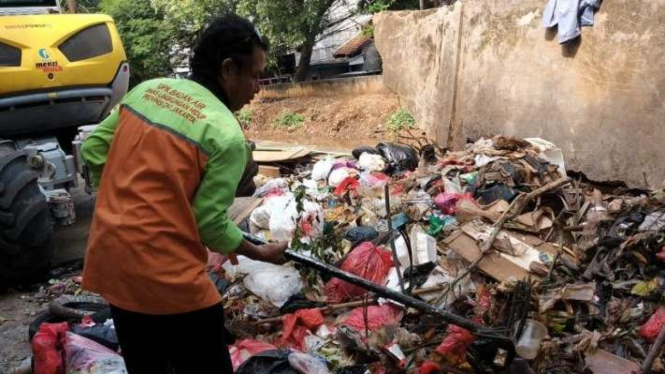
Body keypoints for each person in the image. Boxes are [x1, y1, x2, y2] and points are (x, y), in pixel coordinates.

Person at [80, 14, 287, 373]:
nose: (258, 87)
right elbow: (210, 225)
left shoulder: (147, 91)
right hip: (167, 275)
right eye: (254, 75)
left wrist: (126, 199)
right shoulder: (225, 134)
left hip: (112, 258)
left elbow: (94, 149)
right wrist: (260, 252)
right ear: (228, 69)